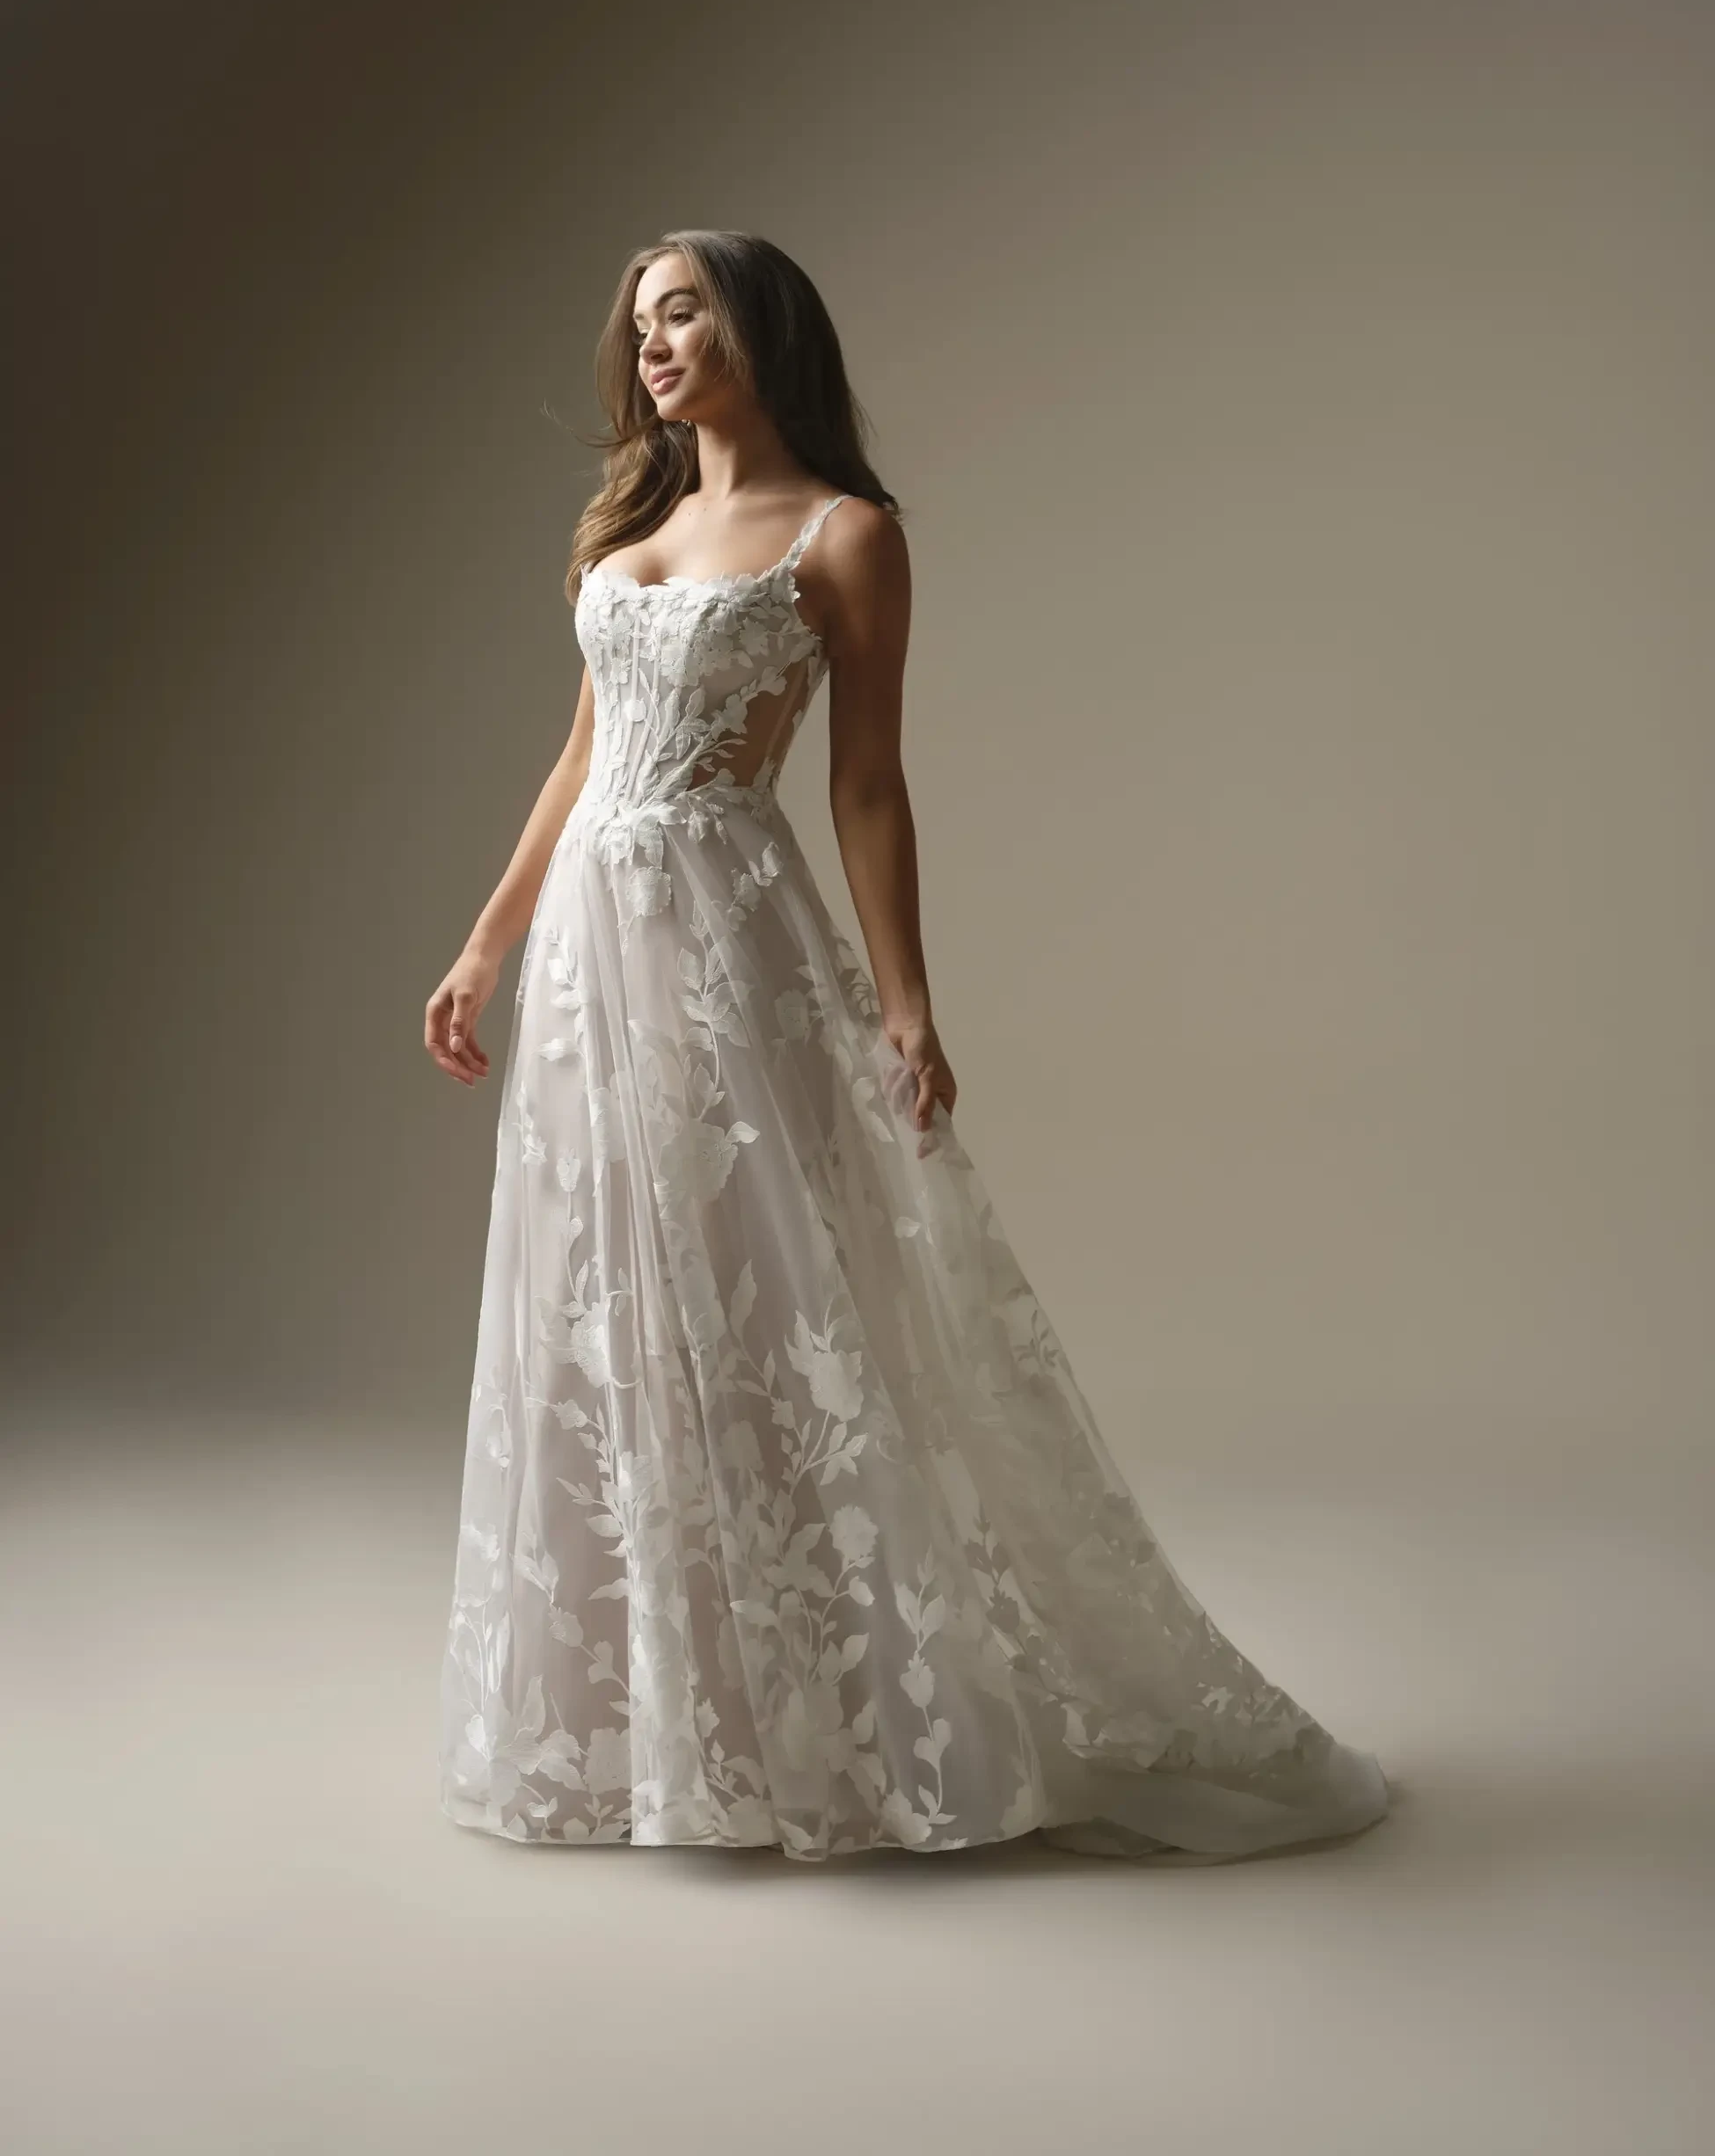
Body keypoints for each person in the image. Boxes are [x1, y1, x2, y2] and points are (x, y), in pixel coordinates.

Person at [427, 229, 1390, 1862]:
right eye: (642, 320)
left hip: (725, 944)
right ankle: (671, 1729)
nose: (654, 344)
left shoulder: (843, 535)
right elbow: (579, 760)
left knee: (763, 1301)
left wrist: (907, 1001)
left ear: (759, 331)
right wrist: (485, 941)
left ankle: (829, 1715)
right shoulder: (629, 530)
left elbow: (866, 784)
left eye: (687, 313)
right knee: (606, 1300)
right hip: (591, 964)